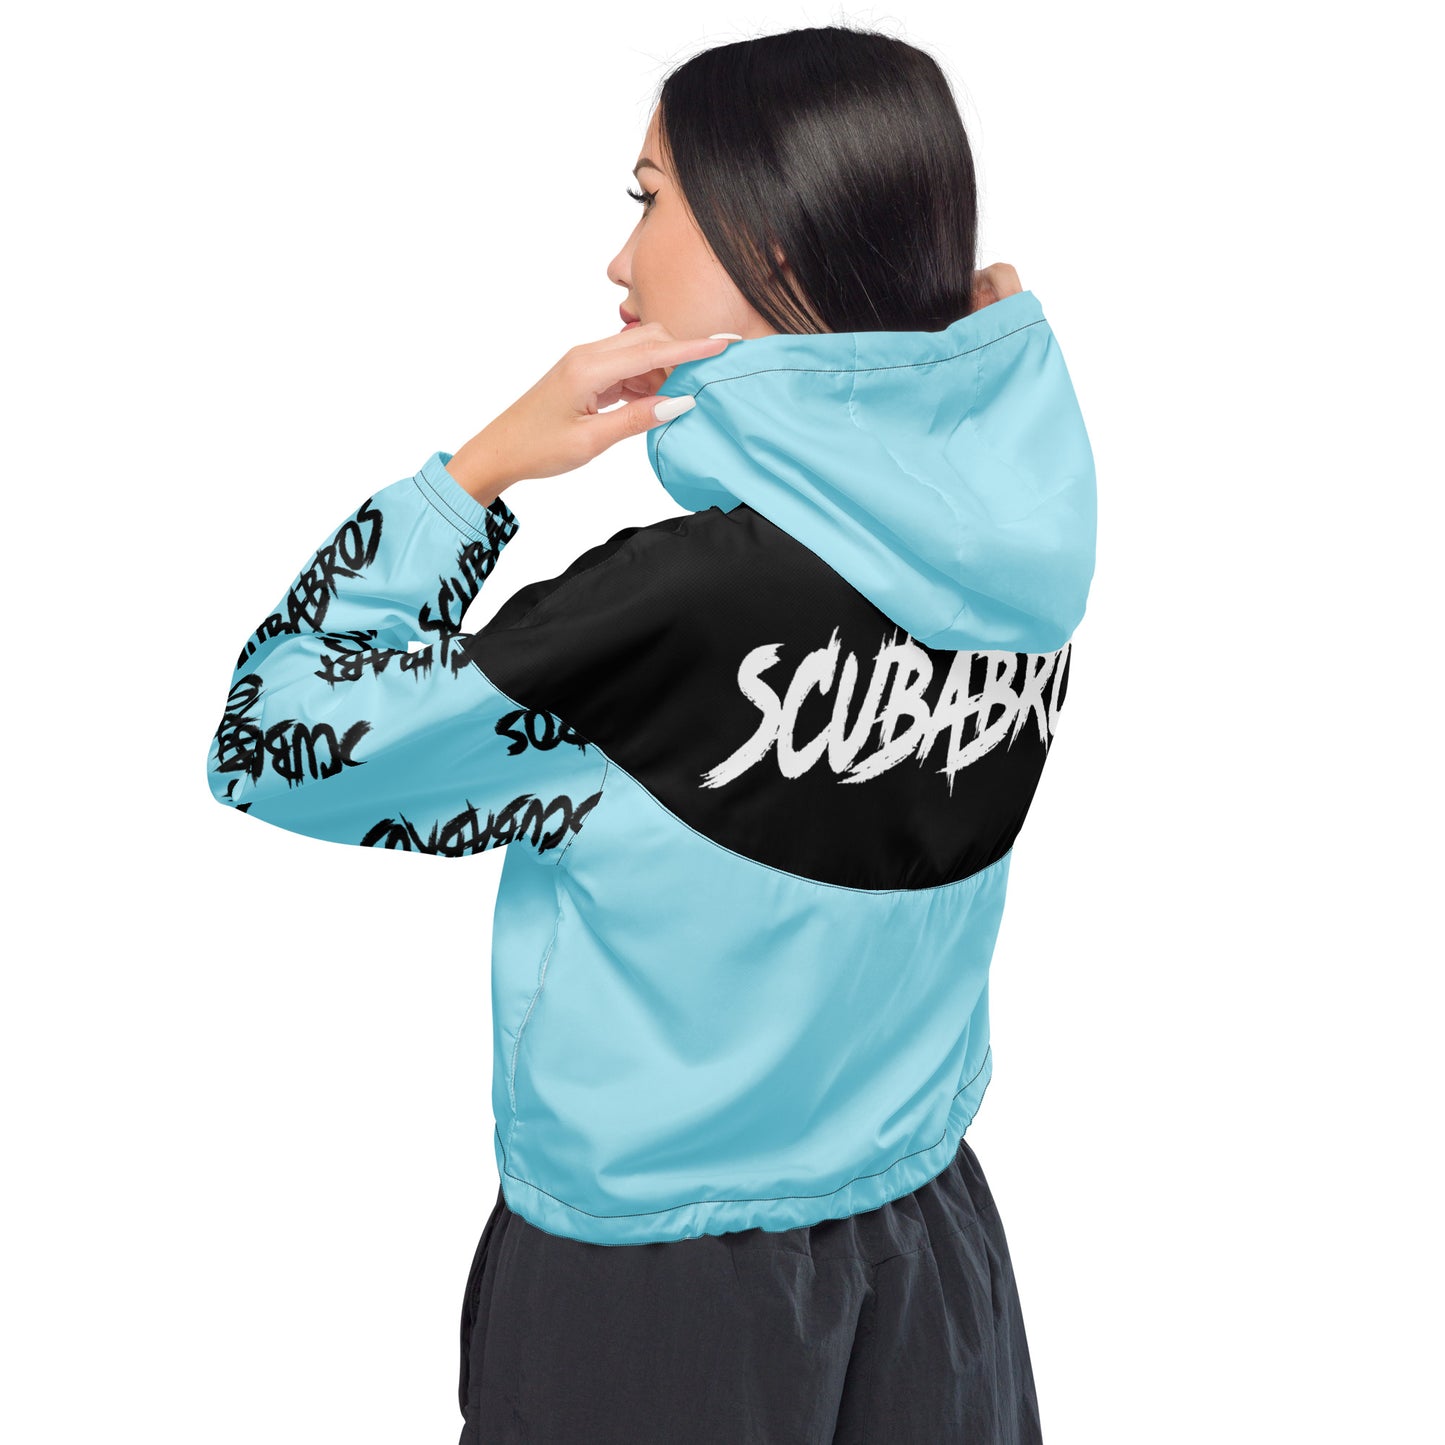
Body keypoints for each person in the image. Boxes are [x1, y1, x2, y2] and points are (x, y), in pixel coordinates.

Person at [204, 23, 1096, 1445]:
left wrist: (476, 472)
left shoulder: (672, 612)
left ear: (772, 237)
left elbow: (272, 737)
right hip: (931, 1246)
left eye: (648, 197)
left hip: (656, 1291)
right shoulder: (1022, 547)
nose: (618, 261)